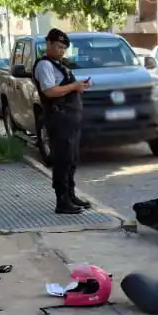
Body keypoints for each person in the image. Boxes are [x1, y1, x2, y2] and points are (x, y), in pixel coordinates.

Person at [33, 28, 92, 215]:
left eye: (64, 48)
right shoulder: (44, 65)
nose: (61, 51)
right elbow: (49, 91)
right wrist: (74, 86)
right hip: (58, 118)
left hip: (69, 119)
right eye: (58, 47)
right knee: (62, 160)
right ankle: (62, 201)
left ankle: (71, 195)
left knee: (71, 159)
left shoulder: (59, 64)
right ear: (48, 44)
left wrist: (79, 86)